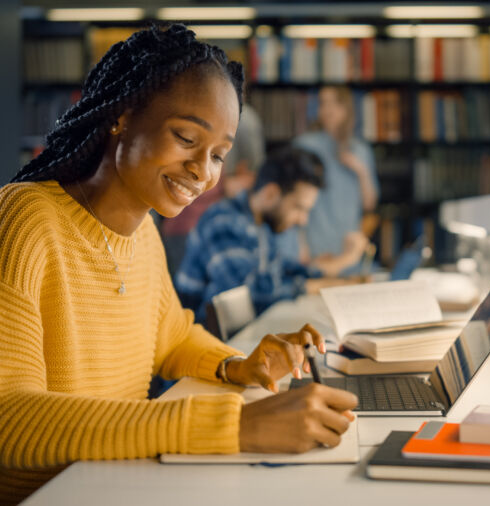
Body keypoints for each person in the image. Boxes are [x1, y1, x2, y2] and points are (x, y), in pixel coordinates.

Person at [0, 25, 356, 506]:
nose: (203, 172)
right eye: (187, 138)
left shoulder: (143, 232)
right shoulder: (24, 218)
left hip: (120, 480)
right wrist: (234, 426)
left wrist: (238, 366)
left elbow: (171, 337)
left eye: (218, 156)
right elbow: (10, 419)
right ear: (121, 117)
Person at [175, 146, 366, 323]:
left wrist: (332, 275)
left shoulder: (260, 225)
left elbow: (279, 270)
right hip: (202, 343)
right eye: (299, 208)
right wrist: (320, 284)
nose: (303, 220)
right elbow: (247, 294)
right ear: (271, 193)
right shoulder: (223, 222)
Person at [160, 102, 265, 276]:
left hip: (194, 226)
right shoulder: (242, 119)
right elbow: (240, 183)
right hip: (187, 227)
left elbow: (247, 176)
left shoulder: (241, 121)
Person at [293, 85, 380, 266]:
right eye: (323, 103)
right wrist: (299, 244)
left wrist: (361, 171)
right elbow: (292, 200)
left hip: (349, 247)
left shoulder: (360, 151)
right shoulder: (305, 146)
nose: (329, 110)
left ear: (347, 108)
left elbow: (369, 204)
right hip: (315, 245)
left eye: (335, 103)